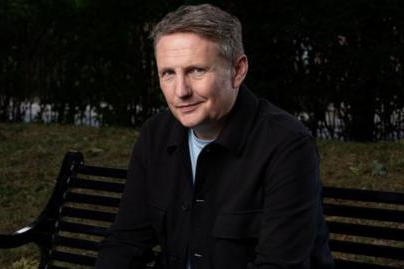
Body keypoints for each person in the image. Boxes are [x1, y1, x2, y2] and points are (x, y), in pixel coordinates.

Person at [96, 3, 334, 269]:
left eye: (196, 70)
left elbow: (279, 265)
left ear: (238, 70)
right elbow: (125, 242)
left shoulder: (287, 145)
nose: (181, 91)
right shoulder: (156, 135)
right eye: (168, 74)